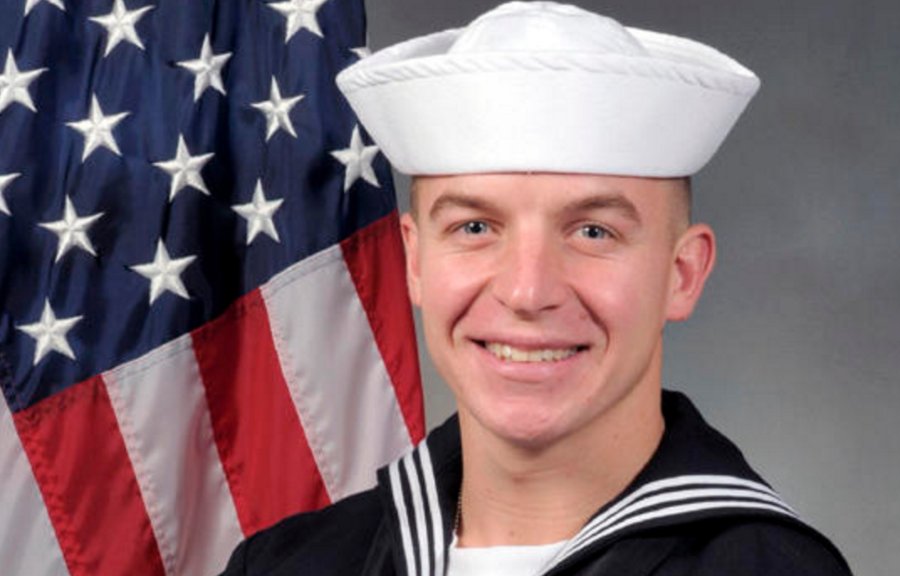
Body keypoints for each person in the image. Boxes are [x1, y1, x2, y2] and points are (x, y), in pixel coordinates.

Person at [222, 2, 852, 574]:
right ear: (414, 261)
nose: (527, 292)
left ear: (682, 274)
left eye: (593, 232)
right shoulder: (285, 566)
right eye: (474, 227)